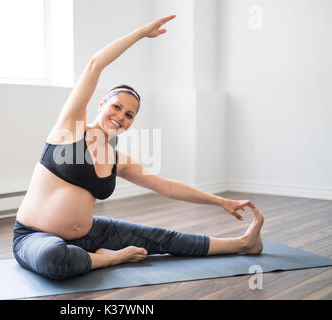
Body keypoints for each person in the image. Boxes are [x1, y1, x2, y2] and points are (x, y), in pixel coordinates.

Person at [13, 14, 264, 280]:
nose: (121, 117)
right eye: (116, 107)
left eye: (129, 115)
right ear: (101, 105)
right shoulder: (70, 128)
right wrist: (141, 33)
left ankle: (243, 243)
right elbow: (95, 65)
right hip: (35, 237)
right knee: (53, 258)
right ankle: (108, 258)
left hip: (89, 234)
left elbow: (167, 187)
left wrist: (220, 201)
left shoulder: (117, 160)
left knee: (161, 238)